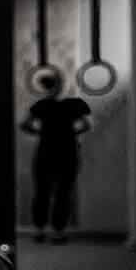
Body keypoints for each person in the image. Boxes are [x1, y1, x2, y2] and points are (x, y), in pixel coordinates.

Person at [21, 70, 91, 243]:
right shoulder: (73, 104)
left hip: (47, 151)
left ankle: (40, 230)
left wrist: (43, 133)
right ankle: (57, 231)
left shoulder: (42, 105)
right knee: (62, 193)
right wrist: (70, 134)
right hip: (66, 151)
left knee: (44, 192)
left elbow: (26, 125)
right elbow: (86, 125)